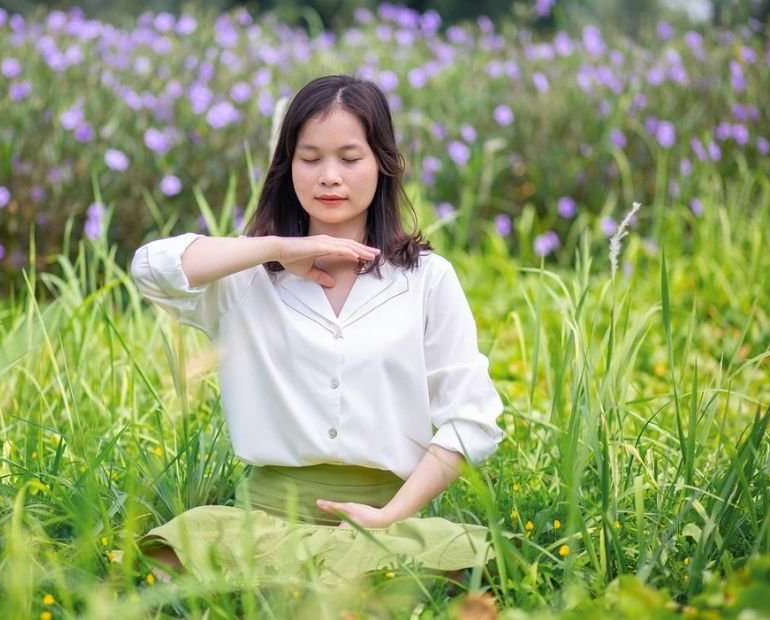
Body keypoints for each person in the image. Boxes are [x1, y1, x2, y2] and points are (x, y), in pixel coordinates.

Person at [130, 74, 504, 584]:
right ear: (288, 168)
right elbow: (151, 267)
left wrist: (391, 515)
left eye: (349, 159)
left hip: (388, 526)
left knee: (462, 573)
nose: (330, 176)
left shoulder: (426, 280)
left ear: (384, 165)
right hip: (260, 525)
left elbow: (471, 419)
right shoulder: (246, 276)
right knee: (166, 565)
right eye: (310, 159)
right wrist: (279, 248)